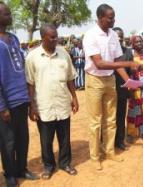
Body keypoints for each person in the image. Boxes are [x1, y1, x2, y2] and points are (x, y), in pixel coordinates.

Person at [83, 4, 139, 170]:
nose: (113, 20)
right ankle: (95, 157)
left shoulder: (113, 34)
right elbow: (99, 64)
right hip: (94, 80)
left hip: (110, 80)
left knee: (111, 119)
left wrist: (128, 80)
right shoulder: (90, 35)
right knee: (95, 121)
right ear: (100, 17)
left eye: (113, 17)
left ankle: (109, 152)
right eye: (110, 17)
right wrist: (129, 62)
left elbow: (116, 62)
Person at [25, 23, 79, 180]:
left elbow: (70, 78)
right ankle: (49, 166)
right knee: (46, 140)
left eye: (57, 36)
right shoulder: (32, 57)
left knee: (64, 137)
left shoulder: (64, 54)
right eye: (52, 37)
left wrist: (74, 98)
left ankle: (65, 163)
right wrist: (31, 106)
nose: (56, 39)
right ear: (43, 38)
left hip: (62, 103)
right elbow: (30, 84)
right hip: (44, 105)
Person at [0, 2, 39, 187]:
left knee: (23, 137)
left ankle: (21, 168)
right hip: (6, 102)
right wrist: (2, 106)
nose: (10, 16)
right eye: (7, 14)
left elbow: (21, 68)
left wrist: (30, 99)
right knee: (8, 141)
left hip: (21, 98)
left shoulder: (14, 38)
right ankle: (9, 174)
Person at [113, 27, 133, 150]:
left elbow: (129, 72)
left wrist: (130, 87)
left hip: (122, 89)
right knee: (109, 117)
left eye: (121, 37)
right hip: (109, 88)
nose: (119, 39)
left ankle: (120, 141)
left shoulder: (128, 52)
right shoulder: (108, 52)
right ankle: (106, 141)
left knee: (120, 116)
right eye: (116, 37)